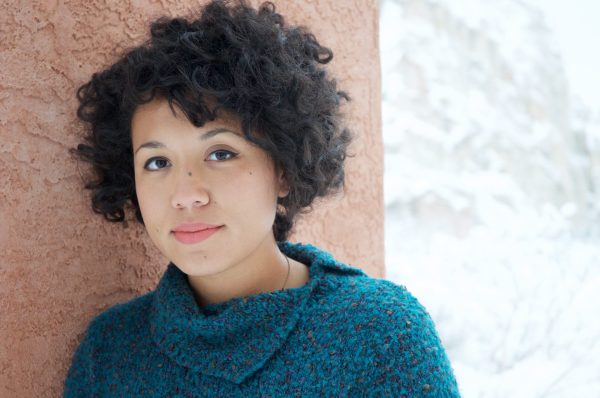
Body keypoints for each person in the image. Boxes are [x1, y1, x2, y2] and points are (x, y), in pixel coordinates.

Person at [64, 0, 460, 396]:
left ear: (284, 169)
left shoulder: (381, 334)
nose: (185, 195)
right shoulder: (109, 354)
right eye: (156, 162)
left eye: (221, 153)